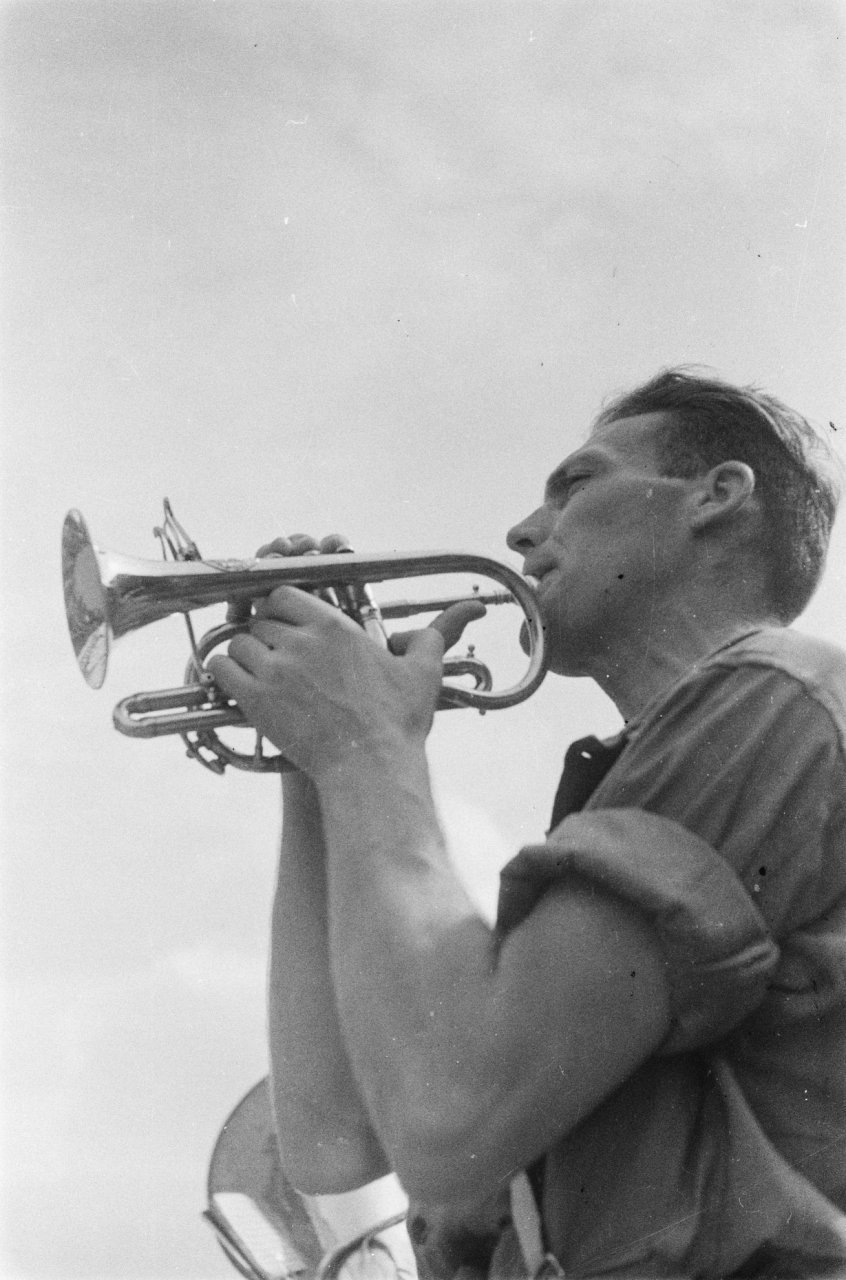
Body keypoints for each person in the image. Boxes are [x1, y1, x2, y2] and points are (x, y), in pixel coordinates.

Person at [209, 369, 846, 1279]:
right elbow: (332, 1140)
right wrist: (315, 765)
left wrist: (364, 747)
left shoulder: (777, 696)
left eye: (576, 485)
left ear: (717, 497)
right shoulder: (649, 774)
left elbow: (450, 1117)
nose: (521, 531)